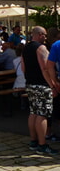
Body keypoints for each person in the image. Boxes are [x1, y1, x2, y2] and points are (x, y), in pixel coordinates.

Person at [21, 26, 57, 155]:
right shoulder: (41, 48)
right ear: (40, 34)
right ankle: (42, 144)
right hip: (42, 85)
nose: (46, 38)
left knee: (33, 113)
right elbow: (45, 68)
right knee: (42, 115)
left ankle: (33, 141)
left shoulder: (25, 48)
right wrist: (52, 85)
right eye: (45, 35)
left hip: (30, 84)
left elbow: (23, 68)